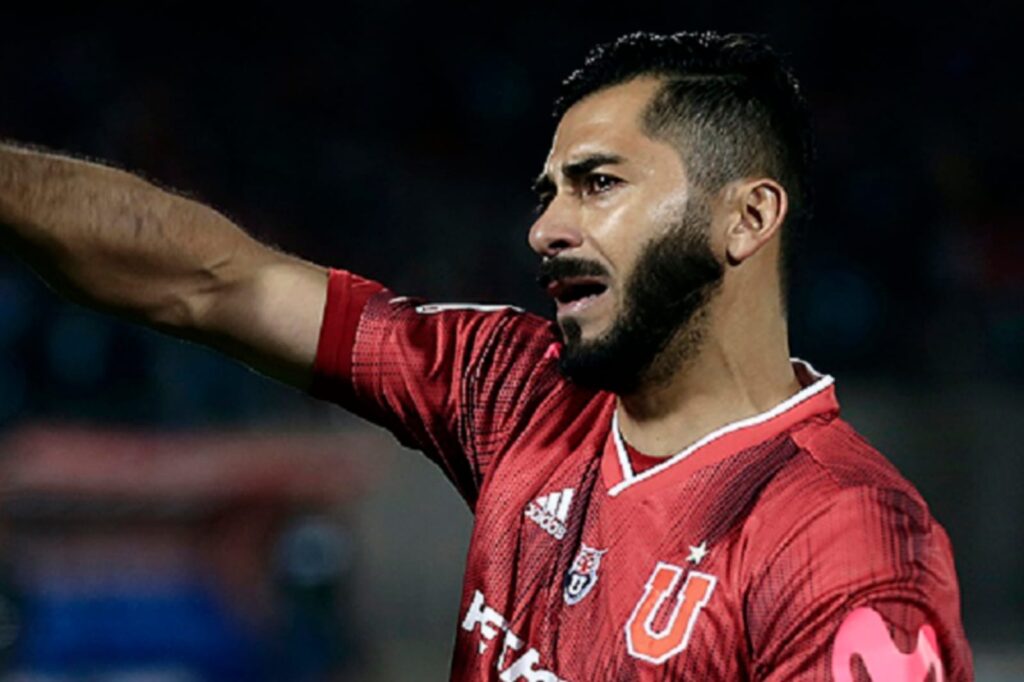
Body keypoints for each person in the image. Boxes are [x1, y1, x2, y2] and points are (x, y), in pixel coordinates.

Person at [0, 30, 971, 681]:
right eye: (546, 192)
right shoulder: (511, 387)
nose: (546, 226)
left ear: (747, 216)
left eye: (596, 184)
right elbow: (217, 282)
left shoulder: (846, 540)